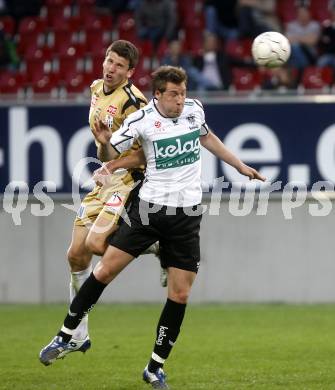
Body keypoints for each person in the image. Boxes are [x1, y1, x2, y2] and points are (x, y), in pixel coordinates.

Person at [39, 65, 265, 388]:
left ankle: (155, 367)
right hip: (147, 212)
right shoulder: (141, 120)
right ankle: (65, 335)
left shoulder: (194, 110)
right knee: (103, 270)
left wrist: (240, 165)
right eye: (173, 94)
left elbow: (208, 137)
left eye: (183, 92)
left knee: (180, 294)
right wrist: (103, 145)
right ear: (157, 94)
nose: (180, 100)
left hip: (186, 217)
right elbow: (109, 152)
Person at [60, 39, 166, 361]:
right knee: (76, 255)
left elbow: (144, 156)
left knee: (95, 245)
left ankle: (155, 245)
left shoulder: (134, 103)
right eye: (109, 61)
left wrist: (113, 162)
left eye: (119, 65)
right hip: (105, 178)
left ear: (130, 72)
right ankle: (79, 335)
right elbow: (107, 149)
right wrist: (106, 146)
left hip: (127, 180)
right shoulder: (95, 89)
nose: (111, 68)